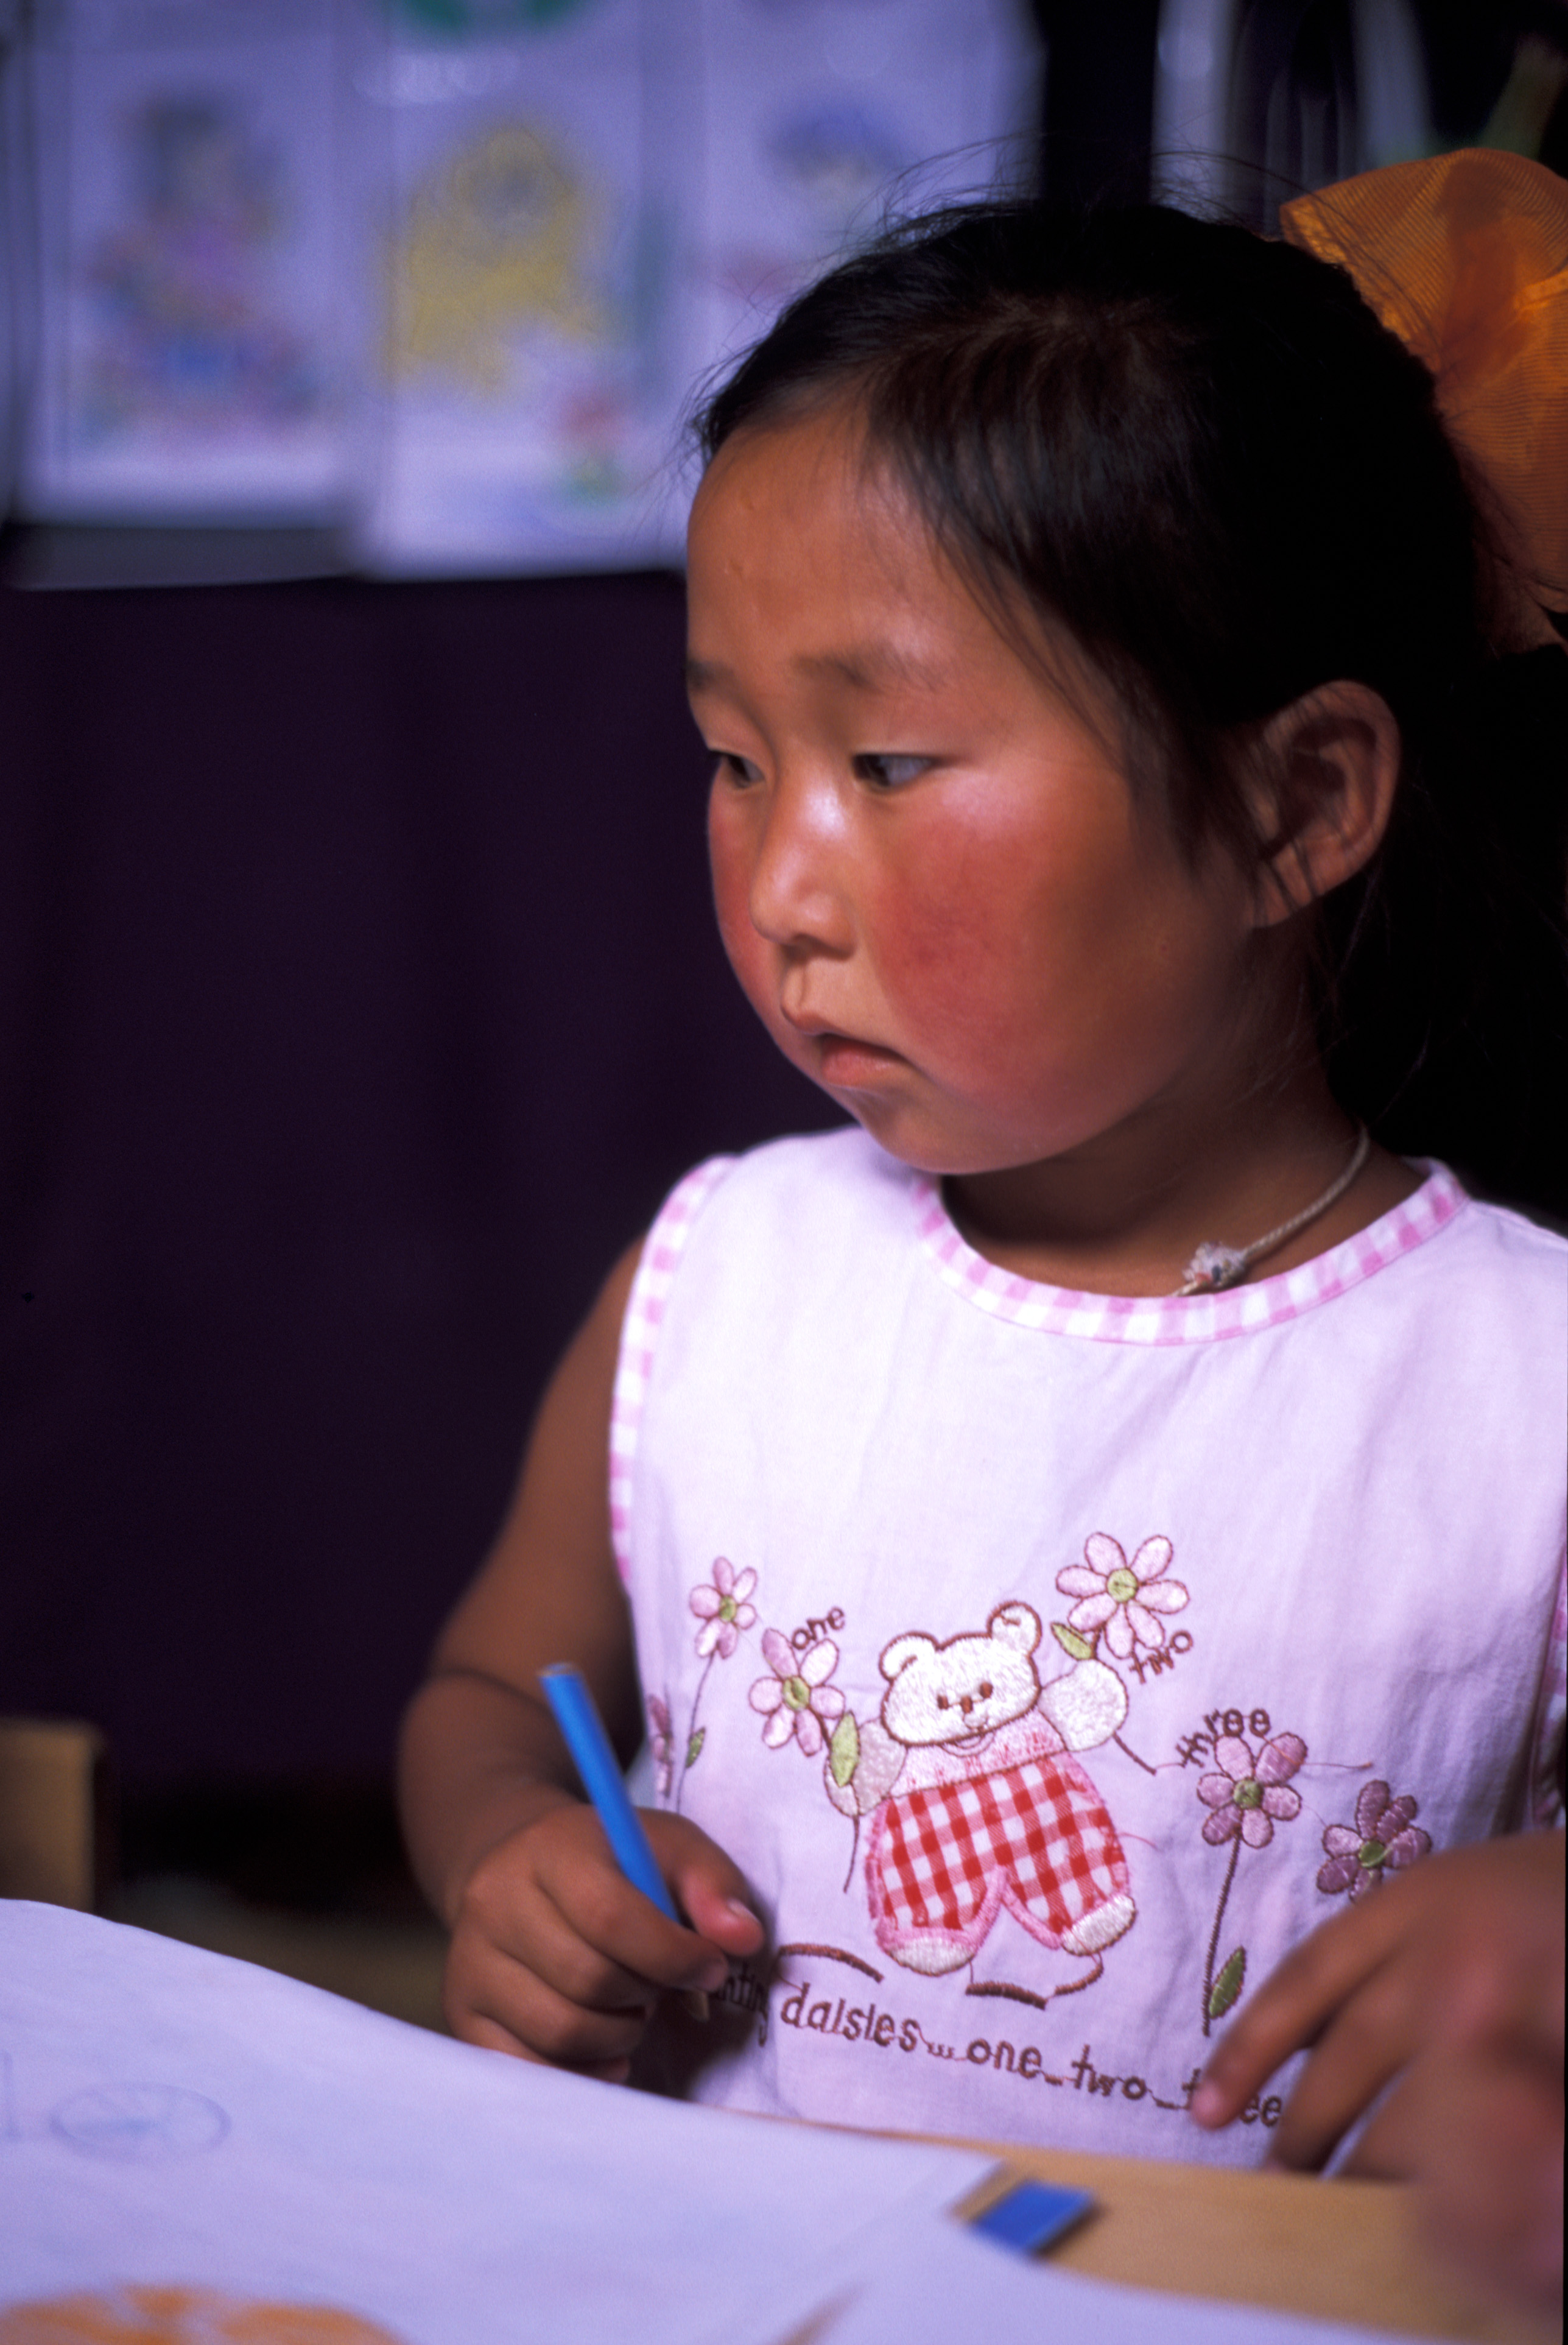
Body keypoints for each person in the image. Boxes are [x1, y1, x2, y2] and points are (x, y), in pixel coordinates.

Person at [398, 150, 1567, 2182]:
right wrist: (514, 1844)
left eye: (892, 767)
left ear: (1299, 804)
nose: (782, 885)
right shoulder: (720, 1281)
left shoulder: (1523, 1382)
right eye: (735, 762)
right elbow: (494, 1685)